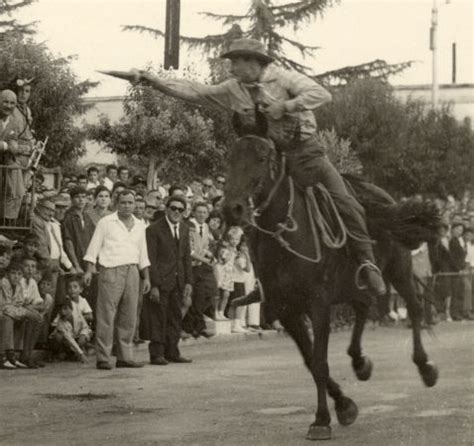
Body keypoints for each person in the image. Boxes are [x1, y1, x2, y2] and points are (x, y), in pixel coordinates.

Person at [131, 37, 386, 297]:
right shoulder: (233, 88)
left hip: (307, 154)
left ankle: (367, 262)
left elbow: (322, 94)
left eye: (236, 63)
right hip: (272, 158)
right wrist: (151, 80)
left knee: (345, 201)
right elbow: (196, 91)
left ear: (253, 63)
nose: (232, 70)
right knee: (249, 206)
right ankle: (264, 280)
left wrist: (285, 106)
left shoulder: (285, 79)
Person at [83, 190, 151, 370]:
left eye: (130, 202)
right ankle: (103, 358)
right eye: (123, 202)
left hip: (133, 271)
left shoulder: (139, 224)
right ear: (116, 203)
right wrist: (89, 270)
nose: (127, 206)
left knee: (128, 316)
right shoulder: (106, 222)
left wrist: (147, 277)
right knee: (106, 315)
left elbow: (143, 253)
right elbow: (93, 247)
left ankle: (124, 357)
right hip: (110, 270)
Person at [143, 195, 193, 365]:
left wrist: (188, 282)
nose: (176, 212)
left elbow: (186, 257)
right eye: (173, 208)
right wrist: (155, 285)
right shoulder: (154, 229)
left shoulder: (185, 229)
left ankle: (172, 351)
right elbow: (151, 259)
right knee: (158, 317)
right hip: (162, 281)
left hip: (178, 281)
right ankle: (156, 353)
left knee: (175, 316)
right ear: (166, 208)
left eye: (180, 209)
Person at [183, 202, 218, 338]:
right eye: (199, 212)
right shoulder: (189, 226)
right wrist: (206, 260)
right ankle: (191, 327)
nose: (202, 214)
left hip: (200, 266)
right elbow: (190, 250)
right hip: (190, 266)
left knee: (205, 294)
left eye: (204, 212)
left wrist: (209, 255)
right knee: (191, 297)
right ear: (193, 212)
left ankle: (198, 325)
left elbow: (203, 246)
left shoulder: (206, 227)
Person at [0, 89, 25, 222]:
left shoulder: (13, 123)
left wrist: (14, 145)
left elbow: (13, 141)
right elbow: (7, 145)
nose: (8, 106)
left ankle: (8, 220)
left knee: (18, 189)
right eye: (5, 102)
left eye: (12, 103)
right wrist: (6, 146)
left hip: (6, 161)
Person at [62, 186, 95, 275]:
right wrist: (76, 265)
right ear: (72, 200)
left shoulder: (87, 217)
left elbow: (93, 241)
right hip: (75, 261)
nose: (81, 200)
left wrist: (92, 264)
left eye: (83, 197)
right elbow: (68, 243)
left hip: (88, 261)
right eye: (77, 197)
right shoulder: (68, 217)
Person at [213, 242, 234, 320]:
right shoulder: (217, 259)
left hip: (227, 276)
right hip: (220, 273)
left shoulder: (230, 251)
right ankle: (215, 312)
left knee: (226, 294)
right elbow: (222, 259)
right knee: (217, 295)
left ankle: (221, 312)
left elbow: (229, 259)